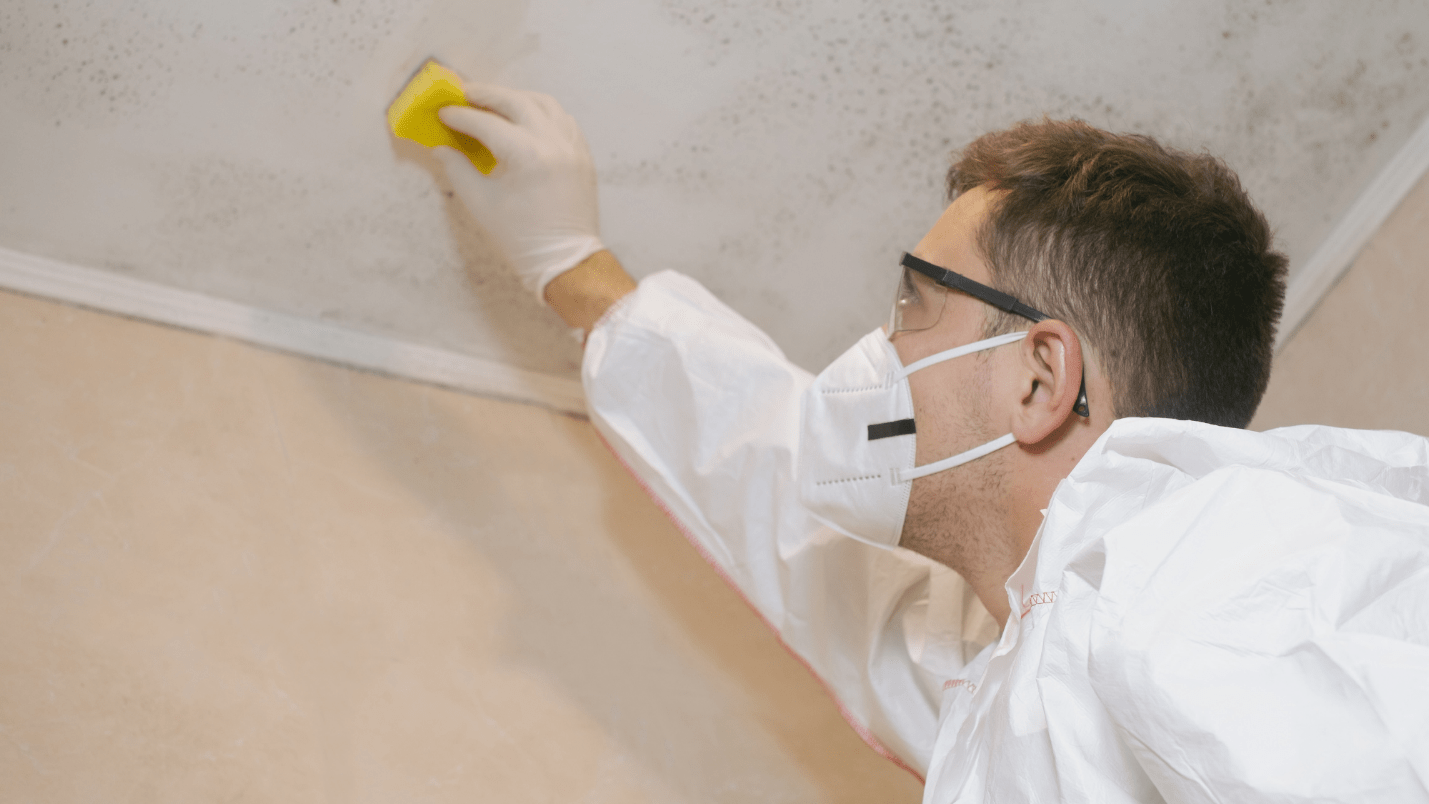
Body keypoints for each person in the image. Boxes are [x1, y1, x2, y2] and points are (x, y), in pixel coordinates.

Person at [426, 82, 1429, 802]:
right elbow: (787, 504)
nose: (875, 348)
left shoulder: (1222, 578)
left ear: (1040, 379)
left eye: (914, 305)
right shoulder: (1017, 670)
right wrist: (573, 266)